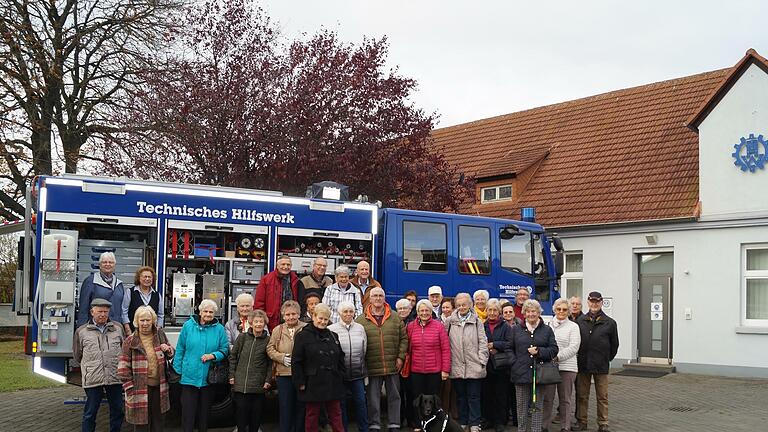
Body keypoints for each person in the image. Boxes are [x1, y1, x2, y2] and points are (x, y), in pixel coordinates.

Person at [356, 287, 409, 432]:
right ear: (370, 299)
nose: (378, 298)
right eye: (375, 296)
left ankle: (394, 424)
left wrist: (400, 357)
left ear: (384, 298)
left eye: (380, 296)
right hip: (372, 365)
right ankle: (374, 424)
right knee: (373, 397)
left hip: (392, 364)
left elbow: (404, 339)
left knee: (394, 396)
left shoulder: (395, 316)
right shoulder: (361, 319)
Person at [173, 299, 229, 432]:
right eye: (206, 311)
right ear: (200, 311)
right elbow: (180, 348)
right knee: (188, 415)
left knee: (204, 415)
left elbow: (225, 349)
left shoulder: (219, 329)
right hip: (189, 377)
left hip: (208, 378)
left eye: (211, 312)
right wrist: (177, 370)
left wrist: (213, 355)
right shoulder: (188, 326)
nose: (208, 314)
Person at [118, 306, 174, 432]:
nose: (145, 323)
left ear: (153, 321)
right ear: (136, 322)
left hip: (160, 387)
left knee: (158, 423)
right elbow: (123, 369)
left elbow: (171, 354)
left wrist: (169, 350)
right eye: (142, 320)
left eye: (148, 320)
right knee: (141, 424)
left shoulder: (160, 335)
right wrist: (130, 389)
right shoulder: (130, 341)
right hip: (139, 388)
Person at [74, 298, 126, 432]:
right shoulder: (81, 331)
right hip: (93, 377)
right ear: (92, 312)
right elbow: (78, 355)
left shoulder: (118, 328)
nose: (103, 314)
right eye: (99, 311)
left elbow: (124, 350)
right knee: (90, 412)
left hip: (114, 376)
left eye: (105, 311)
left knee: (117, 410)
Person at [292, 303, 346, 432]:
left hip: (332, 381)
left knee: (336, 415)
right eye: (320, 318)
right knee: (312, 415)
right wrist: (300, 382)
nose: (323, 322)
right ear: (313, 316)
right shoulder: (302, 336)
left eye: (326, 319)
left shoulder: (333, 335)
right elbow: (297, 361)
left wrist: (341, 375)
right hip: (312, 382)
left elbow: (341, 357)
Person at [509, 299, 558, 432]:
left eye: (534, 311)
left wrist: (540, 351)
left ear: (539, 313)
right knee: (521, 406)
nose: (531, 314)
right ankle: (522, 429)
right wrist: (514, 363)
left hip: (540, 374)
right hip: (520, 373)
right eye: (528, 311)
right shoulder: (515, 329)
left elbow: (554, 349)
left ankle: (536, 430)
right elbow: (509, 349)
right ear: (524, 313)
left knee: (537, 405)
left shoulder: (547, 330)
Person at [574, 292, 619, 432]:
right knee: (582, 395)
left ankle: (603, 423)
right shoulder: (580, 321)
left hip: (601, 365)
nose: (594, 304)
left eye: (597, 302)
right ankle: (582, 422)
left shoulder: (610, 323)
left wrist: (606, 358)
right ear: (588, 302)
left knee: (602, 397)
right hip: (583, 364)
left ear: (601, 302)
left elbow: (614, 345)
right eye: (592, 301)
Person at [445, 292, 489, 432]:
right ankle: (463, 421)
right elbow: (445, 343)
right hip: (456, 365)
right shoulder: (449, 322)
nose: (461, 307)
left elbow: (483, 342)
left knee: (474, 397)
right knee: (461, 397)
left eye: (464, 304)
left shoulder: (477, 321)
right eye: (458, 305)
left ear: (470, 305)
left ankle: (475, 423)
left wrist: (482, 361)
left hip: (474, 366)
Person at [407, 299, 451, 430]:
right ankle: (418, 424)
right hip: (416, 370)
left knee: (433, 402)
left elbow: (446, 349)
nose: (424, 313)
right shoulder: (411, 326)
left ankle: (434, 424)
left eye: (427, 310)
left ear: (431, 312)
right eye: (421, 310)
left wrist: (445, 370)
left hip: (434, 371)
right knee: (418, 400)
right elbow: (407, 347)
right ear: (417, 312)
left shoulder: (438, 326)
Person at [267, 300, 307, 432]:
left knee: (301, 406)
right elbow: (270, 348)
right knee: (285, 406)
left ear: (299, 314)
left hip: (302, 374)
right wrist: (281, 357)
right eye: (288, 314)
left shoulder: (306, 328)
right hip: (283, 374)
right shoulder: (278, 330)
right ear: (283, 316)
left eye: (293, 314)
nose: (291, 317)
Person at [229, 309, 272, 432]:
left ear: (264, 324)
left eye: (261, 322)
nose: (258, 324)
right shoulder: (242, 337)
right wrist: (232, 375)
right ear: (251, 323)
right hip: (241, 385)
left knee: (256, 417)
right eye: (256, 321)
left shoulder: (268, 340)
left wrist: (268, 380)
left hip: (258, 386)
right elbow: (233, 357)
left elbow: (270, 363)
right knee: (241, 416)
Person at [542, 298, 581, 432]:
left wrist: (558, 356)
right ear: (554, 310)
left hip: (568, 367)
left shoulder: (573, 327)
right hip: (549, 367)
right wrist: (550, 356)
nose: (561, 311)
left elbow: (574, 347)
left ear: (569, 311)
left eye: (565, 309)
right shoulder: (547, 325)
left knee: (565, 399)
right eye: (559, 309)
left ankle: (565, 426)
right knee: (548, 398)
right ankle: (544, 425)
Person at [329, 301, 369, 432]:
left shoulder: (360, 328)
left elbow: (364, 349)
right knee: (341, 405)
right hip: (340, 375)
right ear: (339, 313)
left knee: (361, 403)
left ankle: (364, 429)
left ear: (354, 313)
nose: (348, 314)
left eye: (350, 311)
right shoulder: (332, 329)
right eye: (345, 311)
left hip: (357, 374)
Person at [482, 299, 514, 432]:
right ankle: (488, 420)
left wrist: (495, 345)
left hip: (501, 366)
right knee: (486, 394)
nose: (492, 313)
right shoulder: (482, 325)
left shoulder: (505, 326)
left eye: (495, 310)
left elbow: (510, 343)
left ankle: (500, 422)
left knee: (501, 395)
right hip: (486, 365)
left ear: (499, 312)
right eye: (490, 310)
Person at [77, 252, 126, 327]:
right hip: (95, 327)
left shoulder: (119, 284)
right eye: (104, 262)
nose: (108, 264)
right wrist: (81, 328)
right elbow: (83, 308)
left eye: (111, 262)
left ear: (114, 265)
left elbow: (122, 309)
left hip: (115, 328)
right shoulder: (90, 281)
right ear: (99, 265)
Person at [255, 255, 303, 332]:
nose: (286, 267)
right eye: (283, 264)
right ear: (277, 266)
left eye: (288, 265)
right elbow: (259, 302)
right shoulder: (266, 280)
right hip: (272, 322)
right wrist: (261, 319)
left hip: (291, 320)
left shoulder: (295, 280)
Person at [122, 266, 164, 334]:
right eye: (144, 276)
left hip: (151, 335)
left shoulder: (157, 295)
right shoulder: (130, 292)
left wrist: (158, 328)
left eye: (149, 277)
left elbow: (160, 314)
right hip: (133, 333)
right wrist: (128, 329)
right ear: (139, 278)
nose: (147, 279)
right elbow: (124, 312)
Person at [500, 302, 520, 426]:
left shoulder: (520, 325)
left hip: (517, 364)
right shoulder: (500, 326)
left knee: (516, 394)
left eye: (510, 312)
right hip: (503, 364)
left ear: (514, 313)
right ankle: (505, 418)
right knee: (504, 393)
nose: (508, 314)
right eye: (505, 312)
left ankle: (517, 419)